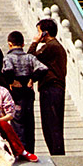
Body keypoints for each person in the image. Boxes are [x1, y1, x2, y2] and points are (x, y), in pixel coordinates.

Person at [1, 30, 44, 154]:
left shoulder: (9, 57)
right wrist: (32, 79)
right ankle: (30, 150)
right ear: (23, 44)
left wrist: (11, 81)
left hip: (16, 93)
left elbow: (7, 70)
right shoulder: (29, 57)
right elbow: (42, 68)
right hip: (29, 93)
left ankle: (20, 150)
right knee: (29, 123)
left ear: (10, 44)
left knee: (17, 123)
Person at [29, 18, 67, 155]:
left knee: (52, 124)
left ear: (45, 33)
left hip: (52, 88)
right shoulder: (53, 46)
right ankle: (56, 153)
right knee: (50, 124)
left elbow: (30, 58)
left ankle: (57, 154)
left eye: (39, 32)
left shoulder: (51, 47)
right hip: (52, 88)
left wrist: (34, 42)